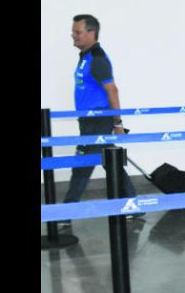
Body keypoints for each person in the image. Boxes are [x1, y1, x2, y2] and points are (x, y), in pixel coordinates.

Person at [60, 14, 140, 226]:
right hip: (88, 121)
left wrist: (117, 123)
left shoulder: (98, 59)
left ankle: (66, 212)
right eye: (73, 31)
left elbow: (112, 91)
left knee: (82, 164)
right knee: (111, 163)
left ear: (91, 33)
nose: (73, 35)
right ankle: (134, 204)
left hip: (98, 122)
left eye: (78, 32)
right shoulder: (86, 57)